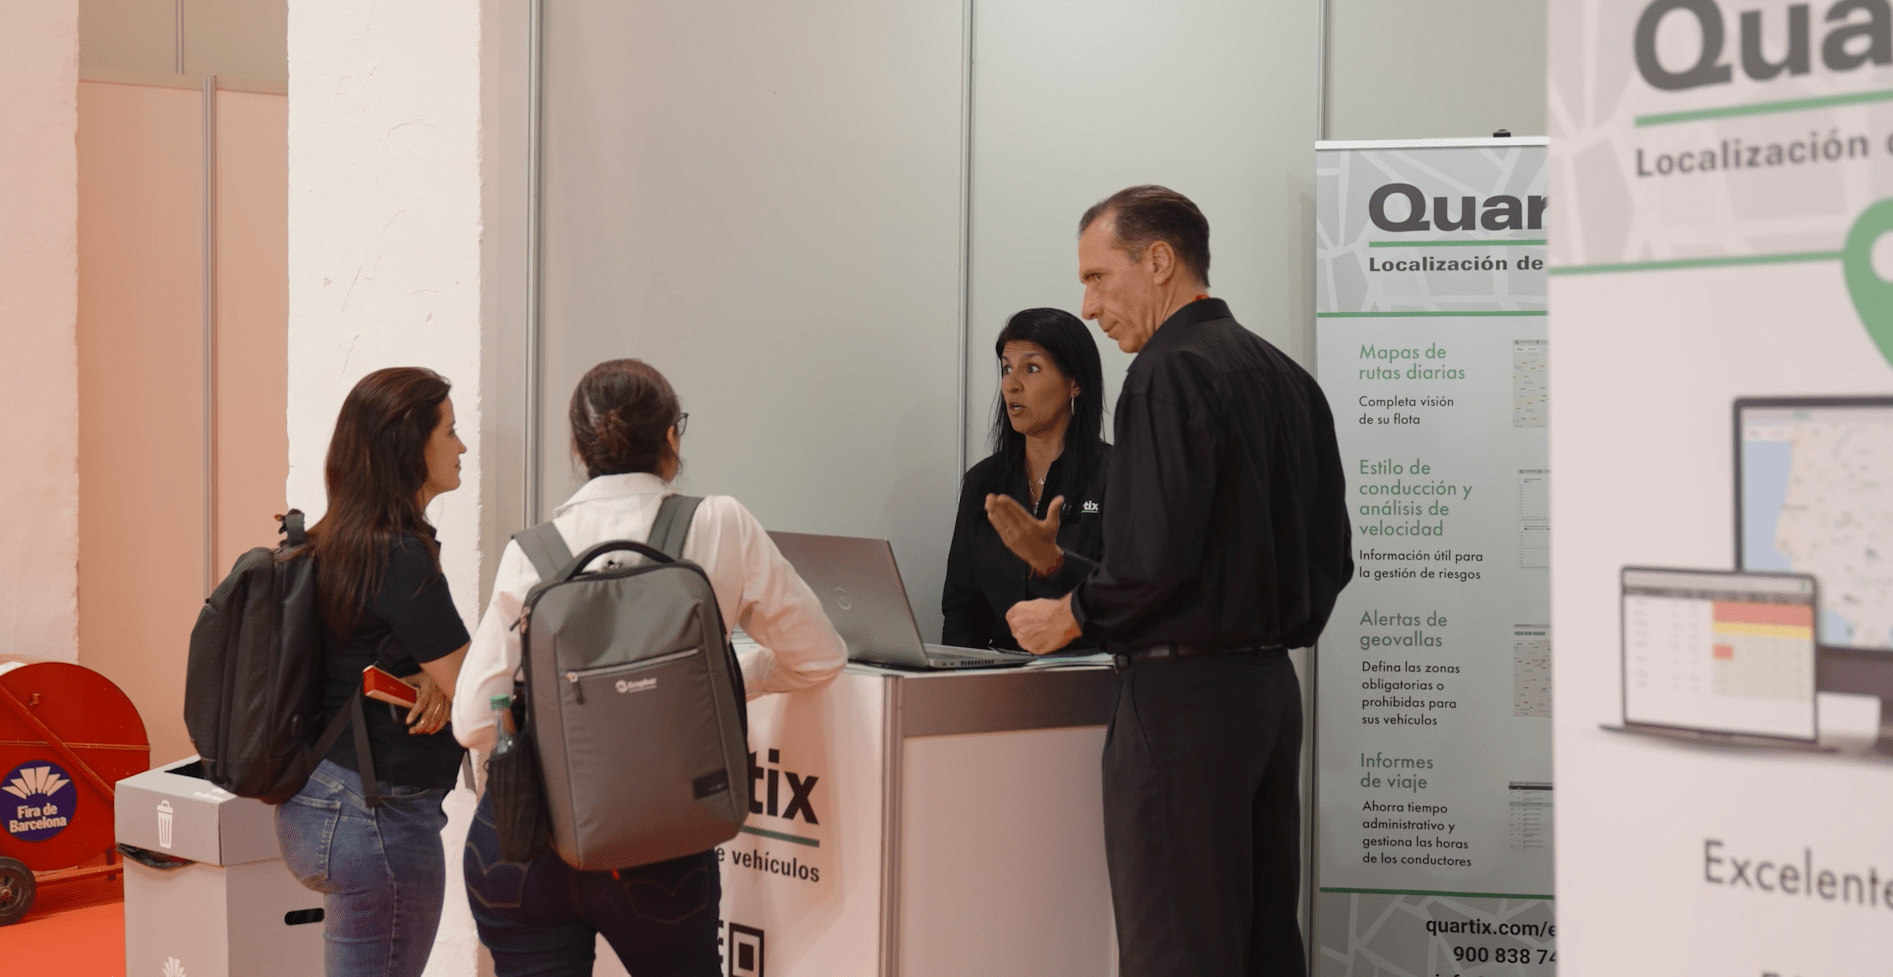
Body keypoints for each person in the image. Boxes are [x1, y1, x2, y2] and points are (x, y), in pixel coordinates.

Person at [987, 186, 1353, 977]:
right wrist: (1064, 563)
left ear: (1158, 261)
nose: (1087, 307)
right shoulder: (1288, 378)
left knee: (1176, 951)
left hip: (1180, 710)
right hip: (1266, 696)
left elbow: (1155, 562)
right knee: (1259, 945)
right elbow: (1316, 558)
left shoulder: (1164, 373)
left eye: (1097, 277)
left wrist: (1071, 611)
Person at [452, 358, 847, 977]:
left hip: (525, 852)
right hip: (661, 852)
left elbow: (473, 720)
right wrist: (726, 681)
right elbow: (819, 655)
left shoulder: (533, 552)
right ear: (671, 437)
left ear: (577, 450)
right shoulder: (719, 522)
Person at [276, 366, 471, 977]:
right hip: (373, 818)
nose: (461, 448)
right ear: (411, 447)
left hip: (319, 800)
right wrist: (444, 683)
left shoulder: (337, 539)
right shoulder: (399, 553)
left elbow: (438, 677)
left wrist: (435, 681)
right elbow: (477, 686)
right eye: (451, 433)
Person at [941, 308, 1111, 650]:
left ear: (1074, 383)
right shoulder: (983, 481)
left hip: (1090, 677)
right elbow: (963, 609)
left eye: (1031, 368)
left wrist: (1053, 560)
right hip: (998, 679)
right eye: (1006, 368)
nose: (1012, 384)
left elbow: (1130, 595)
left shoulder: (1117, 474)